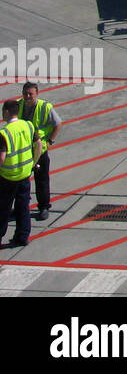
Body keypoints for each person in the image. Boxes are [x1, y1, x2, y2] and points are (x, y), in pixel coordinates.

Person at [0, 99, 41, 249]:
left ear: (6, 112)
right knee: (23, 206)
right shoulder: (28, 125)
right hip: (25, 174)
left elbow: (2, 157)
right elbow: (39, 144)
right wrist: (33, 162)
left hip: (8, 176)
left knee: (3, 209)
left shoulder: (4, 133)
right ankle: (22, 237)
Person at [19, 82, 60, 222]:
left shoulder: (44, 107)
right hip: (23, 150)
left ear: (37, 93)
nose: (27, 96)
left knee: (41, 180)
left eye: (30, 94)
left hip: (39, 151)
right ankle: (21, 207)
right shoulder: (19, 105)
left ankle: (44, 207)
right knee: (21, 180)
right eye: (25, 93)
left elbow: (58, 124)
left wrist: (50, 142)